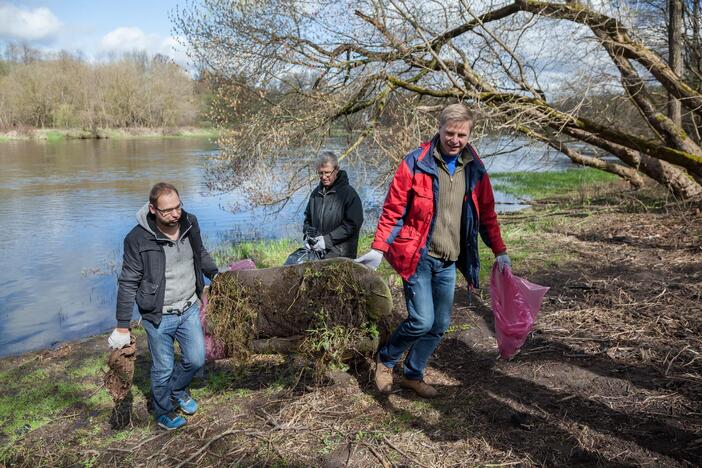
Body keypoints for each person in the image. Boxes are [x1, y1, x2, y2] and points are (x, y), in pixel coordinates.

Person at [356, 103, 510, 398]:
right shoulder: (415, 163)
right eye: (450, 132)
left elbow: (487, 214)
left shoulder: (475, 169)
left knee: (440, 324)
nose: (455, 140)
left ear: (469, 134)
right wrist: (379, 247)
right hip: (419, 256)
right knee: (421, 320)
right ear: (439, 129)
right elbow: (393, 209)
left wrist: (500, 250)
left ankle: (413, 373)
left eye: (461, 134)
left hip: (449, 260)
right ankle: (386, 360)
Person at [108, 182, 219, 430]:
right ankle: (163, 411)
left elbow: (200, 254)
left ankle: (177, 390)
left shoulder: (190, 222)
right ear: (153, 209)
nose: (175, 214)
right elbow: (127, 283)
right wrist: (122, 326)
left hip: (189, 307)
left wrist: (217, 276)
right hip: (158, 315)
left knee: (196, 359)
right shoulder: (136, 239)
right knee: (163, 368)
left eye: (177, 207)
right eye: (167, 210)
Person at [302, 151, 364, 259]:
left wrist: (326, 241)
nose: (324, 177)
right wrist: (308, 235)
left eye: (327, 172)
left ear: (336, 170)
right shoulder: (315, 194)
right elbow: (308, 219)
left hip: (342, 255)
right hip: (319, 252)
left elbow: (352, 224)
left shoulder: (349, 194)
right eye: (320, 173)